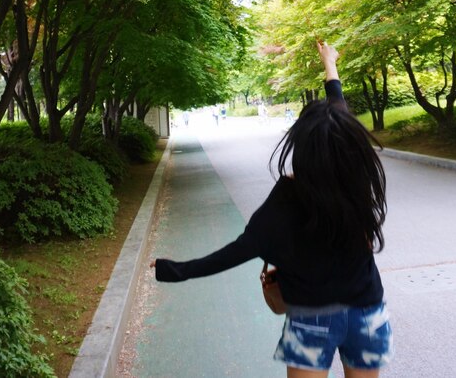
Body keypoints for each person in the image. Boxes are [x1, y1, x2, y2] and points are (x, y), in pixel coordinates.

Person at [150, 41, 393, 378]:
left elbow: (237, 252)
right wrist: (330, 65)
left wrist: (173, 269)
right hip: (367, 311)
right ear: (346, 141)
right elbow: (338, 110)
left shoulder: (289, 194)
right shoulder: (357, 178)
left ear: (303, 148)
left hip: (311, 318)